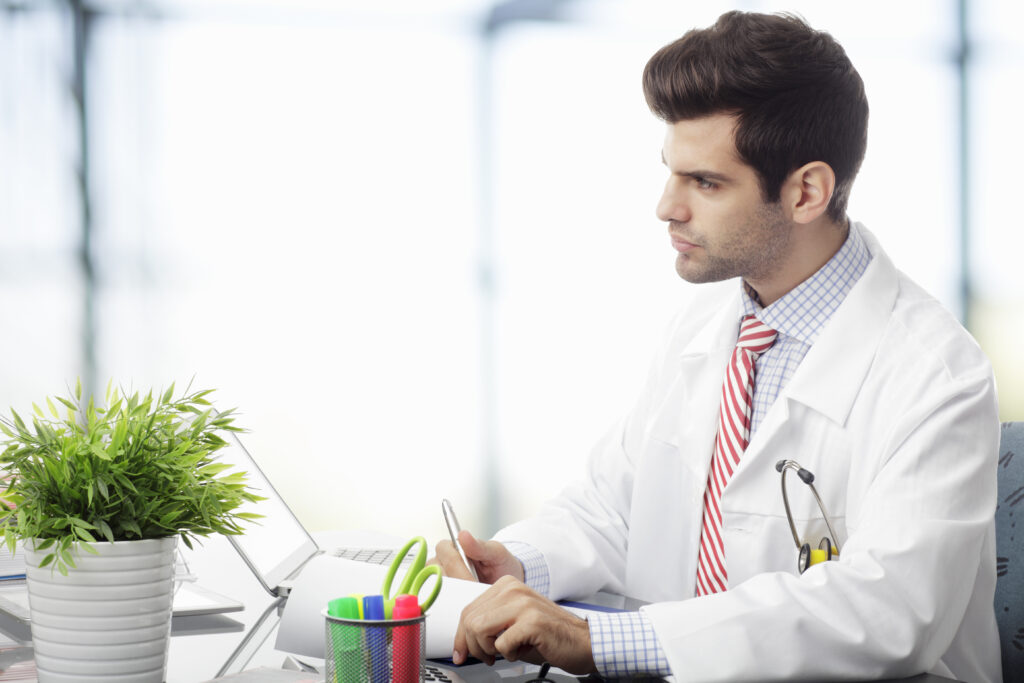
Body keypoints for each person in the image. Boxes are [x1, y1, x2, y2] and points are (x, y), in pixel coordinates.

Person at [435, 10, 1000, 683]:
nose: (666, 206)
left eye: (705, 182)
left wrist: (605, 639)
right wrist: (520, 564)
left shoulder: (937, 372)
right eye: (671, 172)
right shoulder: (703, 327)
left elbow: (887, 612)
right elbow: (611, 506)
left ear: (807, 191)